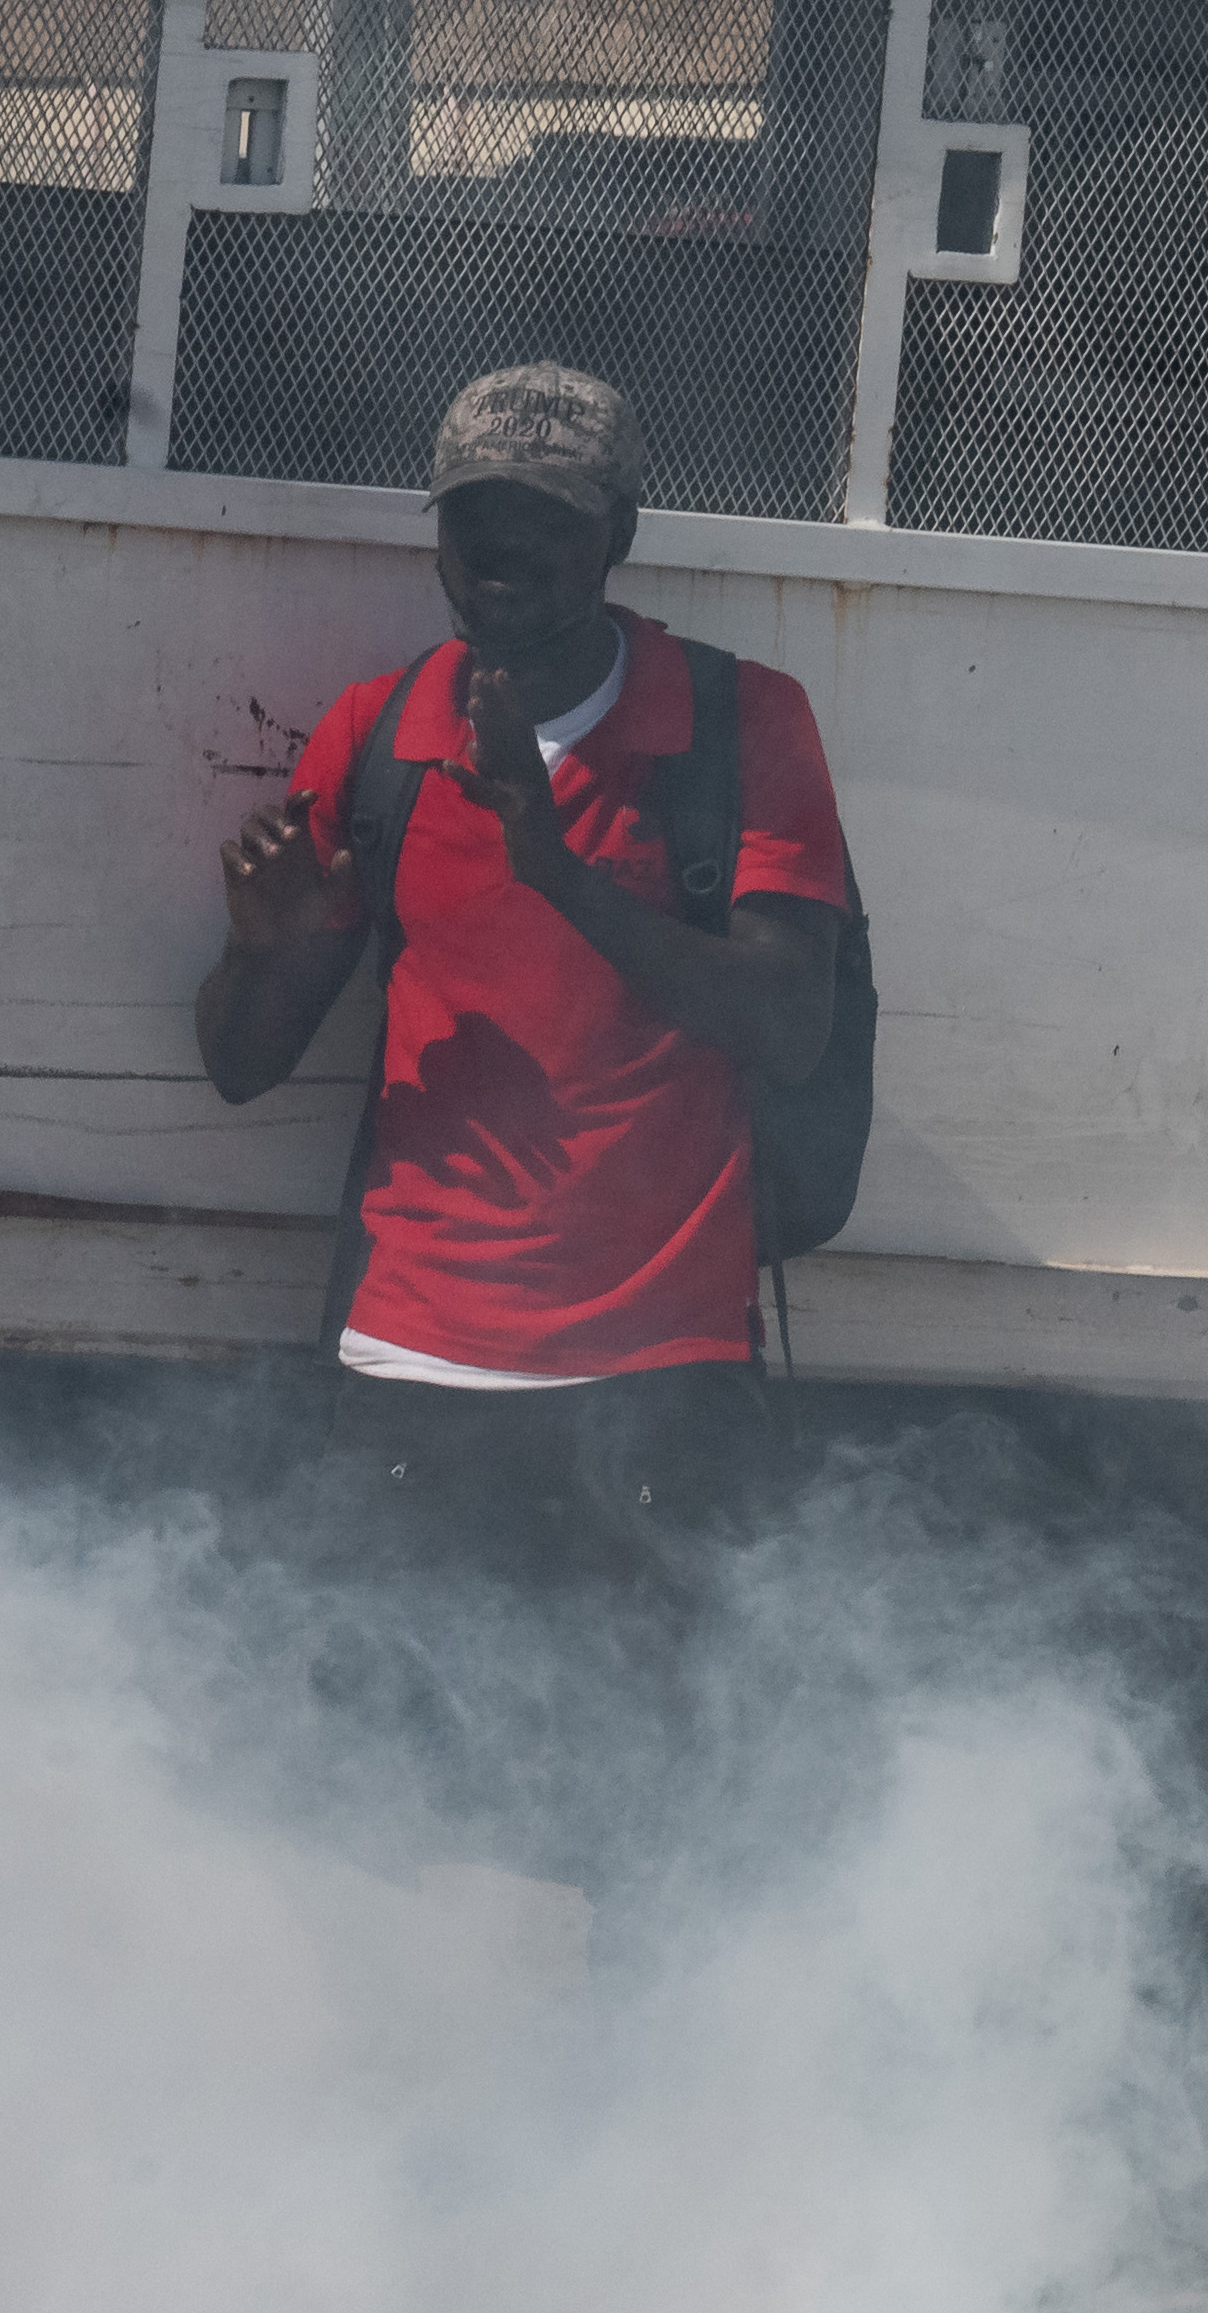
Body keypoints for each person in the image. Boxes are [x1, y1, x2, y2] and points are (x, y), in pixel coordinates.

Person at [198, 364, 854, 1594]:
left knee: (660, 1773)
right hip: (410, 1369)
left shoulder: (742, 722)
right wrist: (263, 945)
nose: (502, 545)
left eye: (547, 513)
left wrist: (549, 864)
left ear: (623, 535)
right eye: (470, 513)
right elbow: (241, 1068)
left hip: (664, 1373)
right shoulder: (379, 729)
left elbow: (787, 1023)